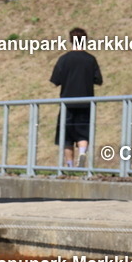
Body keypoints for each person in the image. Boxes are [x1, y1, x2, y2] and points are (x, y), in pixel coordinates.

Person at [50, 28, 103, 168]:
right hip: (86, 103)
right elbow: (98, 80)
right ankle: (82, 153)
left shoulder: (64, 59)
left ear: (70, 40)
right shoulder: (90, 60)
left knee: (66, 138)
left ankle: (70, 165)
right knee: (83, 134)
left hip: (67, 103)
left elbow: (55, 80)